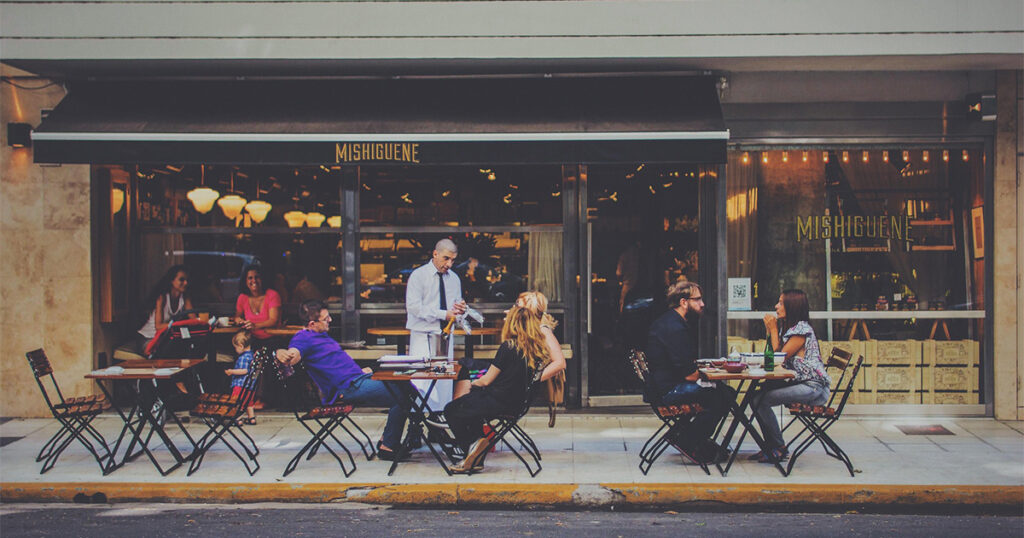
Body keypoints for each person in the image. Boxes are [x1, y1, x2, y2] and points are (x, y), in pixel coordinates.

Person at [276, 300, 410, 461]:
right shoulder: (303, 338)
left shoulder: (321, 335)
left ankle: (388, 441)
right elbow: (293, 355)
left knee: (407, 386)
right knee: (403, 394)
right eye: (326, 319)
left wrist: (360, 371)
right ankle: (388, 446)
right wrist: (281, 353)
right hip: (348, 387)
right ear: (312, 324)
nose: (330, 320)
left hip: (358, 378)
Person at [443, 304, 549, 474]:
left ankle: (473, 445)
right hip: (516, 404)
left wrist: (472, 384)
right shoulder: (537, 350)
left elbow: (486, 380)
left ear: (512, 324)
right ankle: (476, 456)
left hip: (498, 401)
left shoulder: (508, 347)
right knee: (471, 408)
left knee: (451, 409)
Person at [644, 281, 733, 464]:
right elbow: (689, 375)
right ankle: (690, 441)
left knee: (723, 393)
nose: (702, 304)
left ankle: (688, 435)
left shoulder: (671, 321)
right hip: (669, 391)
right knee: (723, 396)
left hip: (662, 387)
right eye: (697, 299)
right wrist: (712, 372)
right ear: (684, 302)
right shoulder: (675, 328)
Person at [749, 289, 831, 463]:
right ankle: (770, 446)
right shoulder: (791, 329)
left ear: (792, 306)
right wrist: (771, 331)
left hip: (813, 387)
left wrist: (772, 329)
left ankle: (777, 447)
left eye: (780, 303)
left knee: (760, 400)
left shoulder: (801, 331)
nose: (776, 306)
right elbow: (773, 355)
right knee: (757, 396)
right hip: (802, 383)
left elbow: (778, 358)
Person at [405, 238, 466, 411]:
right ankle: (417, 421)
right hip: (422, 335)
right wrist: (443, 314)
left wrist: (461, 310)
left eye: (453, 260)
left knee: (444, 381)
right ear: (435, 254)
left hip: (445, 336)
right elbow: (414, 307)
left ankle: (439, 418)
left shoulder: (454, 279)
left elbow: (456, 308)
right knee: (421, 380)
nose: (449, 264)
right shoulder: (419, 276)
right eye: (446, 258)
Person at [135, 264, 195, 355]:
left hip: (163, 339)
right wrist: (180, 325)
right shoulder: (162, 297)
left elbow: (194, 320)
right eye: (181, 280)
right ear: (172, 281)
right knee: (163, 354)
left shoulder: (185, 297)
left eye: (187, 280)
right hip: (148, 338)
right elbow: (158, 326)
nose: (186, 283)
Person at [234, 264, 282, 341]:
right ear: (245, 281)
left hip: (272, 338)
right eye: (250, 278)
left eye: (257, 277)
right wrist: (239, 321)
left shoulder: (272, 295)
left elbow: (273, 320)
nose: (254, 280)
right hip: (251, 339)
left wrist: (255, 326)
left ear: (262, 279)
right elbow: (237, 317)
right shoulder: (242, 297)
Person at [225, 330, 257, 425]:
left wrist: (231, 371)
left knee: (237, 402)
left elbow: (244, 370)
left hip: (241, 384)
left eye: (235, 347)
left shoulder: (243, 357)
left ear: (241, 346)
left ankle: (237, 418)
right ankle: (251, 418)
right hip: (250, 385)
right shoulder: (252, 355)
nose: (235, 350)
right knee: (249, 402)